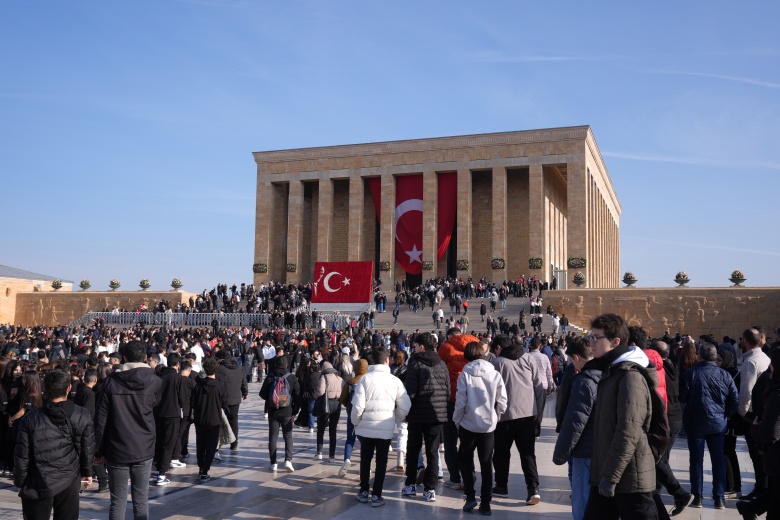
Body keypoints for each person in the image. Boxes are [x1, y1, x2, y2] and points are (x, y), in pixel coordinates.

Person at [582, 313, 658, 520]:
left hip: (629, 479)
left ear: (615, 342)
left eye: (597, 338)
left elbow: (629, 432)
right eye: (591, 337)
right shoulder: (611, 372)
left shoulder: (629, 377)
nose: (591, 342)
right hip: (608, 473)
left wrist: (610, 477)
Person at [14, 369, 94, 520]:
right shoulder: (82, 414)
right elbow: (87, 447)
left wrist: (20, 480)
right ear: (69, 388)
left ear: (45, 388)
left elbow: (22, 454)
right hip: (70, 476)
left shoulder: (31, 418)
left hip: (38, 478)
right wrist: (87, 472)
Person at [94, 340, 162, 520]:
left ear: (123, 358)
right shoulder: (155, 381)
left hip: (117, 447)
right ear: (145, 357)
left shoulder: (110, 382)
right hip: (143, 446)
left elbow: (100, 421)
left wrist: (98, 450)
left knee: (117, 501)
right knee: (141, 501)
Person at [680, 342, 738, 510]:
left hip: (695, 422)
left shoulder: (690, 374)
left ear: (700, 356)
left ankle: (697, 497)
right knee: (718, 460)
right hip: (717, 423)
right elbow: (734, 399)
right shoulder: (725, 375)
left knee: (696, 461)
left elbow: (682, 398)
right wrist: (725, 414)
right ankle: (719, 498)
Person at [351, 346, 411, 507]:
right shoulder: (395, 381)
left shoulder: (364, 379)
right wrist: (395, 418)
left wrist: (356, 422)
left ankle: (364, 490)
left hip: (365, 426)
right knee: (381, 461)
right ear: (387, 360)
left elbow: (357, 406)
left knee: (365, 459)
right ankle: (377, 494)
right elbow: (406, 405)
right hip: (385, 426)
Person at [453, 341, 508, 516]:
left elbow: (460, 401)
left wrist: (457, 420)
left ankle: (470, 496)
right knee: (486, 464)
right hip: (487, 426)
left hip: (468, 424)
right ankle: (486, 503)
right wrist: (495, 416)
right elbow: (503, 401)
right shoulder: (495, 373)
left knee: (465, 461)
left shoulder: (465, 374)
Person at [491, 334, 544, 506]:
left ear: (499, 347)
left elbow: (493, 391)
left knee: (501, 453)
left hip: (504, 416)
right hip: (528, 413)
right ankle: (533, 488)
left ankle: (501, 485)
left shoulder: (498, 363)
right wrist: (538, 412)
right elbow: (539, 387)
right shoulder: (529, 358)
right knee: (528, 453)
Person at [552, 336, 602, 520]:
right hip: (602, 449)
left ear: (576, 358)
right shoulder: (607, 373)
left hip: (584, 450)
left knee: (582, 503)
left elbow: (575, 422)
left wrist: (560, 453)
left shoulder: (584, 381)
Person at [401, 332, 450, 502]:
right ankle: (430, 489)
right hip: (437, 415)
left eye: (414, 346)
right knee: (433, 452)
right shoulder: (442, 363)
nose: (413, 349)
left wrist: (405, 412)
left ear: (422, 347)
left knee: (413, 450)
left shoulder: (415, 363)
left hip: (417, 415)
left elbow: (410, 392)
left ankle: (410, 485)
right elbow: (447, 389)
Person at [740, 349, 780, 520]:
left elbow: (771, 433)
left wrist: (755, 428)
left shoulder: (777, 394)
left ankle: (750, 508)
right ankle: (750, 508)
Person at [438, 330, 480, 490]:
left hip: (451, 398)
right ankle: (470, 472)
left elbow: (439, 369)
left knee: (450, 441)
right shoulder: (475, 344)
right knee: (467, 439)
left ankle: (455, 478)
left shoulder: (446, 347)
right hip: (471, 397)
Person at [738, 328, 771, 502]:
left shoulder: (751, 361)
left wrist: (742, 413)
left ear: (745, 341)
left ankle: (760, 489)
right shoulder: (765, 357)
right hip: (764, 411)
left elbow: (746, 392)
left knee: (756, 455)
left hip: (753, 415)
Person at [260, 356, 300, 472]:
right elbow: (297, 396)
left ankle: (273, 463)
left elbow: (262, 394)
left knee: (273, 437)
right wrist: (295, 411)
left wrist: (272, 398)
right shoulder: (292, 378)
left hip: (273, 411)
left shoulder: (270, 377)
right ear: (287, 365)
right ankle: (288, 460)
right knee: (288, 436)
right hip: (287, 411)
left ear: (276, 365)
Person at [191, 357, 228, 481]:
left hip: (200, 419)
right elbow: (224, 403)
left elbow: (193, 402)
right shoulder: (220, 386)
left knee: (200, 445)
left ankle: (201, 467)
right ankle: (205, 470)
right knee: (211, 447)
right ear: (216, 370)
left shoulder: (198, 385)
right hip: (214, 419)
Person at [152, 352, 184, 486]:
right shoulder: (177, 378)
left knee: (158, 441)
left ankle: (157, 466)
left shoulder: (158, 376)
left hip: (157, 412)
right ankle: (161, 473)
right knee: (168, 443)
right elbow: (182, 398)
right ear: (177, 364)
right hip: (172, 414)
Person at [338, 359, 369, 478]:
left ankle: (347, 459)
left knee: (350, 439)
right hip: (365, 415)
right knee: (364, 441)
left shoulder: (350, 381)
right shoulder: (368, 381)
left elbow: (343, 398)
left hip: (352, 413)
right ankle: (364, 465)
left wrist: (348, 407)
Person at [216, 349, 248, 452]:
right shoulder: (240, 367)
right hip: (235, 398)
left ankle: (219, 443)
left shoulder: (220, 368)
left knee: (220, 420)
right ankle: (234, 443)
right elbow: (244, 381)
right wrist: (245, 392)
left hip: (222, 399)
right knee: (234, 421)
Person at [313, 361, 342, 462]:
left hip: (326, 404)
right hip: (337, 404)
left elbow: (320, 391)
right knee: (332, 430)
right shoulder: (338, 378)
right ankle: (331, 456)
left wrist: (315, 396)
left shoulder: (324, 377)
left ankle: (319, 452)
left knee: (321, 429)